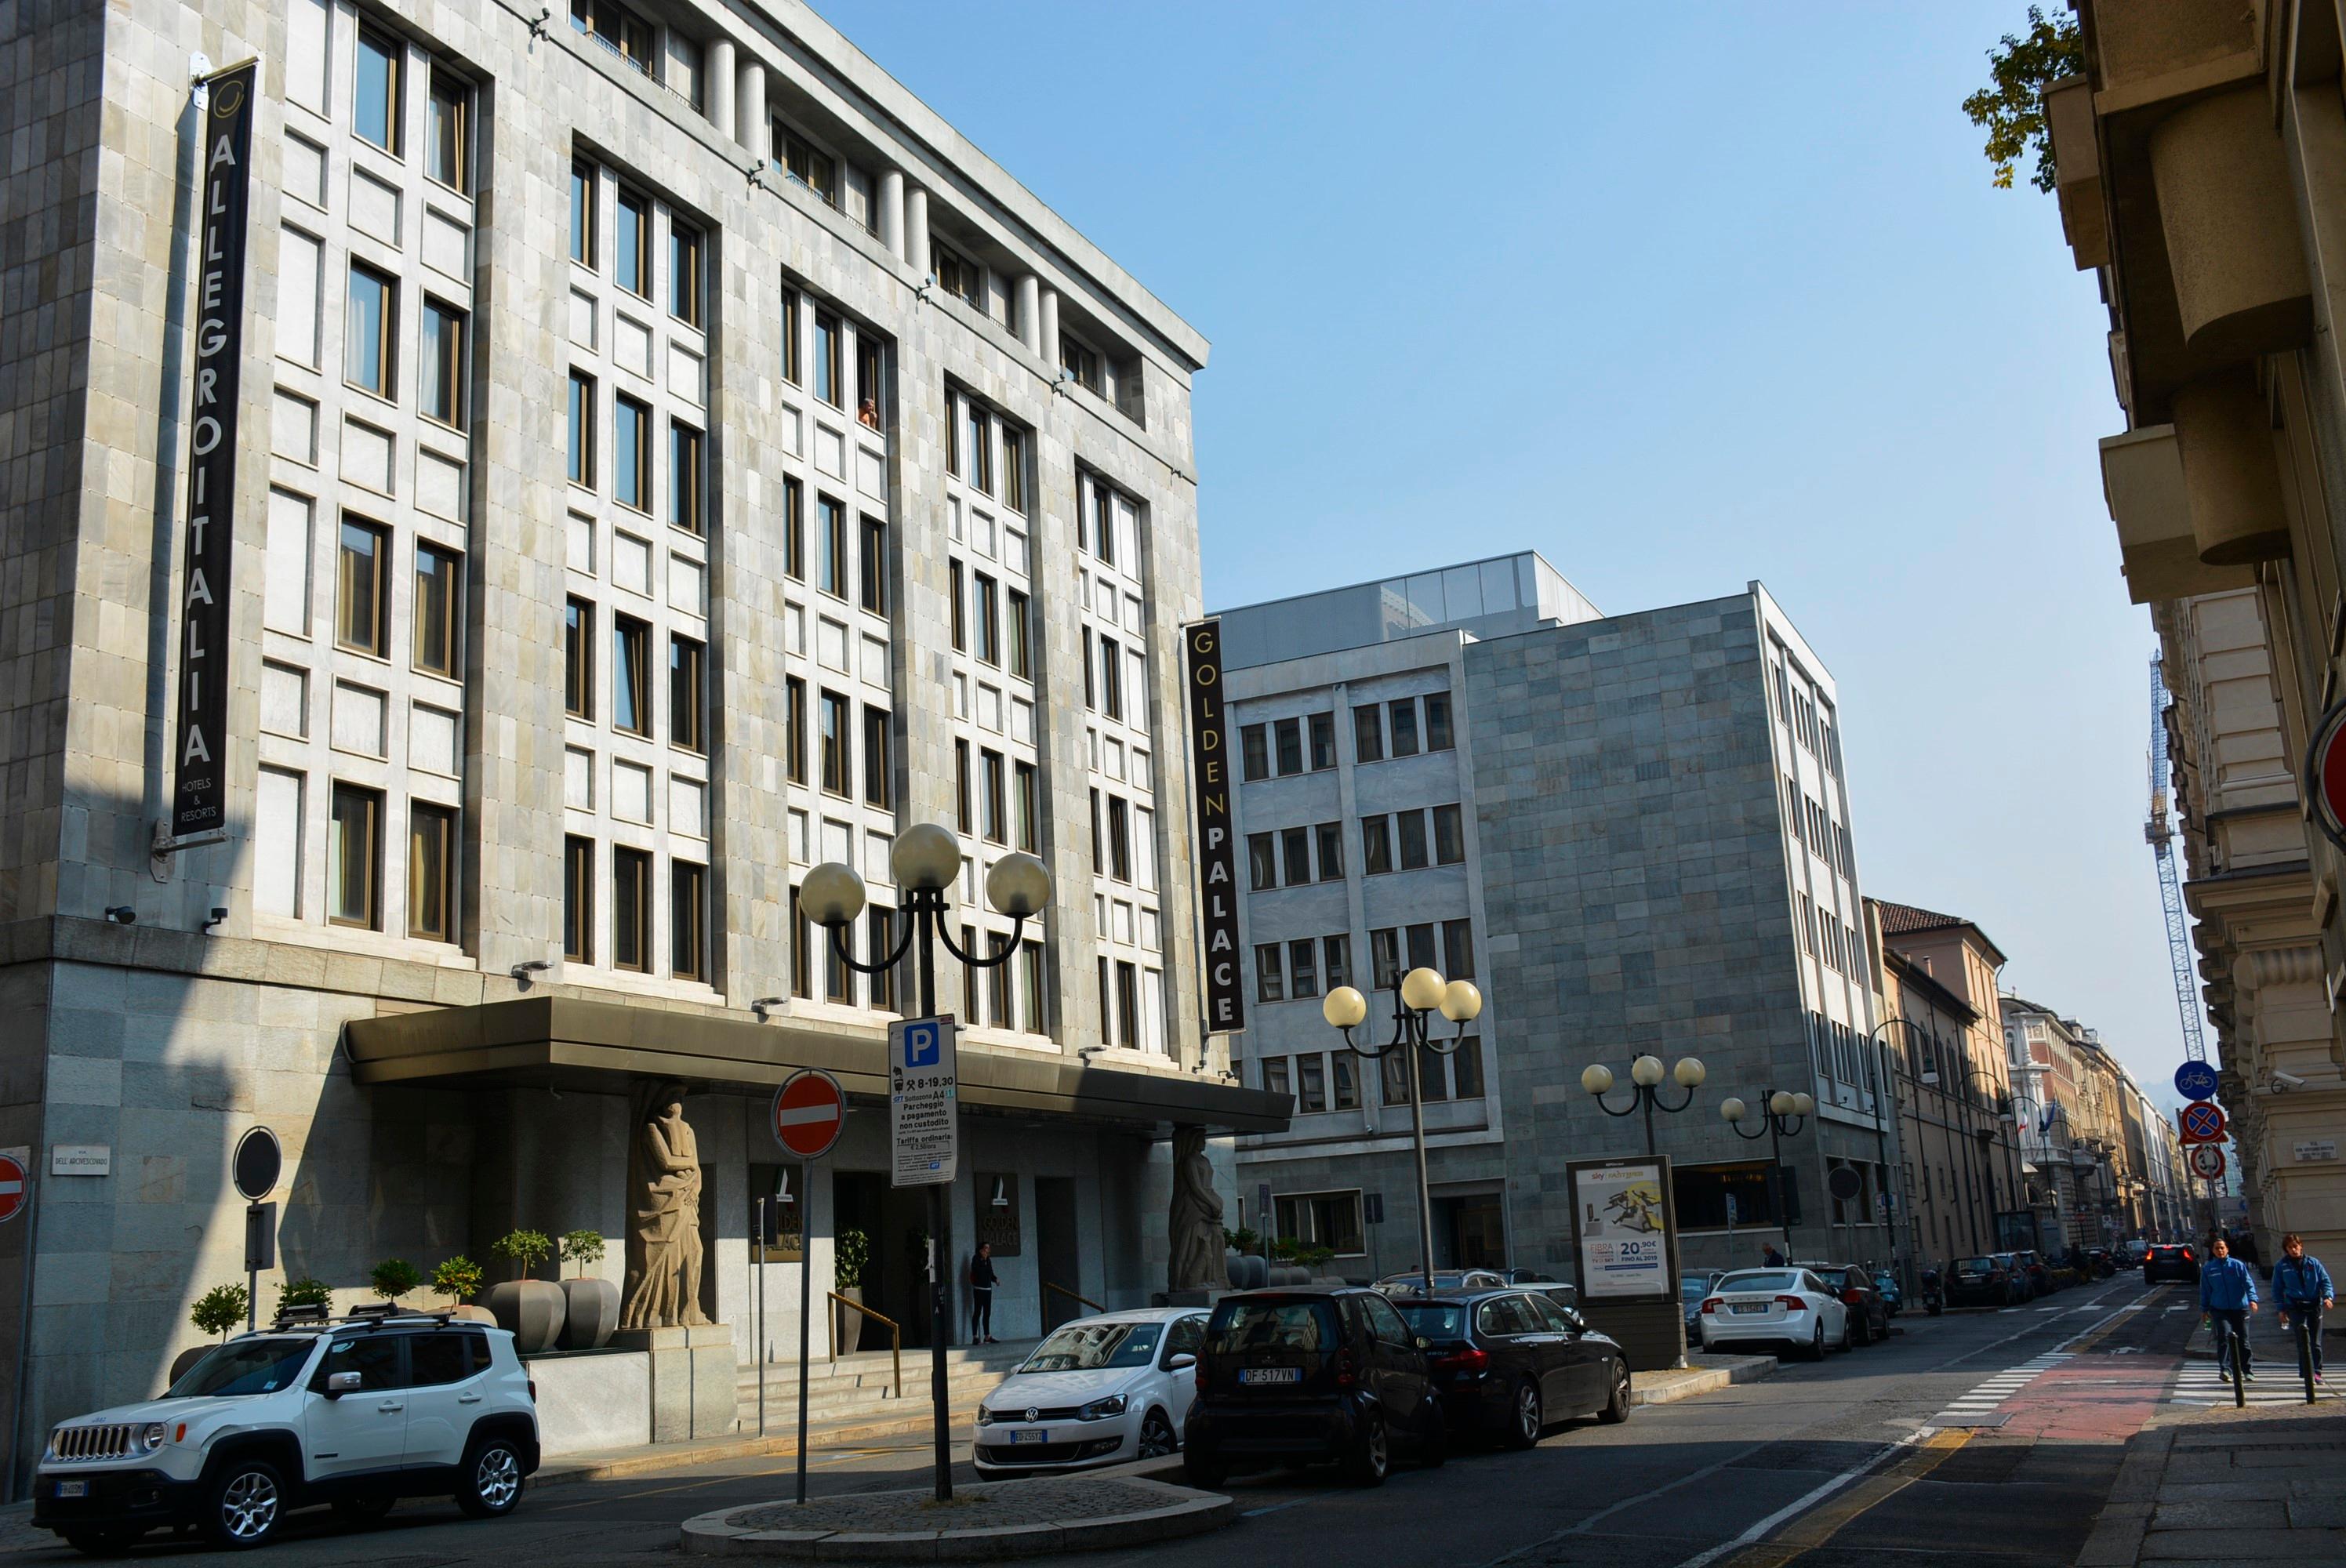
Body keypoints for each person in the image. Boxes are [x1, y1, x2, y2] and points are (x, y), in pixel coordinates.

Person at [2273, 1232, 2334, 1383]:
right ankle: (2306, 1371)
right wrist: (2281, 1309)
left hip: (2314, 1305)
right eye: (2290, 1247)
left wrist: (2328, 1296)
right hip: (2295, 1306)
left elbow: (2325, 1281)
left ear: (2301, 1246)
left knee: (2316, 1342)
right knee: (2302, 1340)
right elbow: (2277, 1289)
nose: (2294, 1250)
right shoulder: (2282, 1266)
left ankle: (2317, 1372)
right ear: (2286, 1249)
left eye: (2295, 1246)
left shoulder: (2313, 1263)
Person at [2200, 1232, 2260, 1381]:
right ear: (2213, 1251)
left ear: (2227, 1249)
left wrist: (2253, 1299)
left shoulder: (2237, 1265)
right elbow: (2205, 1290)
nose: (2220, 1251)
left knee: (2243, 1340)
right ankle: (2226, 1370)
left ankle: (2247, 1370)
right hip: (2219, 1309)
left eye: (2222, 1248)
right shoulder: (2209, 1269)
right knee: (2224, 1337)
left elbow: (2248, 1283)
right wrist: (2204, 1309)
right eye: (2217, 1248)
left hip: (2240, 1308)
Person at [969, 1241, 997, 1345]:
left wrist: (995, 1280)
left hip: (988, 1289)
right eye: (986, 1248)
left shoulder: (988, 1260)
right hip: (979, 1289)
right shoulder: (976, 1259)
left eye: (988, 1248)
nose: (988, 1251)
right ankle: (975, 1336)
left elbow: (990, 1273)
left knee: (987, 1313)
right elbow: (977, 1271)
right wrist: (983, 1261)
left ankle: (987, 1336)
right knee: (977, 1312)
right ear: (981, 1250)